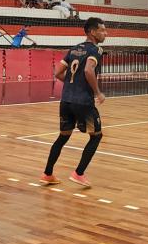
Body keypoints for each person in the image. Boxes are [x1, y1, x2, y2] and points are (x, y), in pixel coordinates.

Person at [39, 17, 107, 188]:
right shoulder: (96, 50)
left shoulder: (74, 48)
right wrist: (98, 92)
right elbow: (88, 70)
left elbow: (58, 73)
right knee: (96, 136)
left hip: (66, 100)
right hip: (83, 102)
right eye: (102, 30)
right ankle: (78, 173)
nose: (105, 33)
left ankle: (47, 174)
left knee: (63, 137)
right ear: (92, 32)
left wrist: (72, 82)